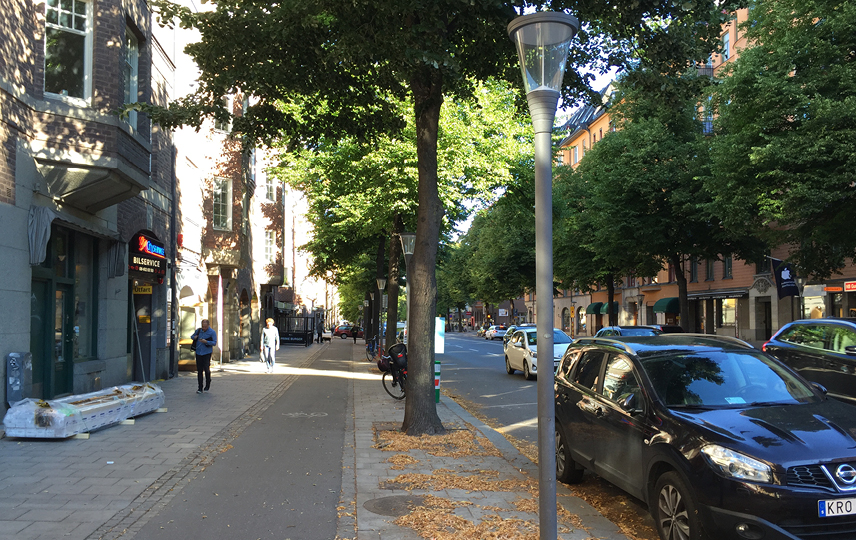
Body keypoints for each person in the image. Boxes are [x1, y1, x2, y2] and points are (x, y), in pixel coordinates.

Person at [190, 320, 217, 394]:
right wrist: (194, 337)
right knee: (199, 370)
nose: (204, 328)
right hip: (198, 352)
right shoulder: (198, 331)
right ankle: (200, 387)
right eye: (203, 326)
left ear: (208, 325)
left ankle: (208, 383)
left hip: (207, 352)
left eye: (205, 327)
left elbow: (214, 342)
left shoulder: (212, 332)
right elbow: (192, 336)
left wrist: (206, 342)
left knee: (206, 369)